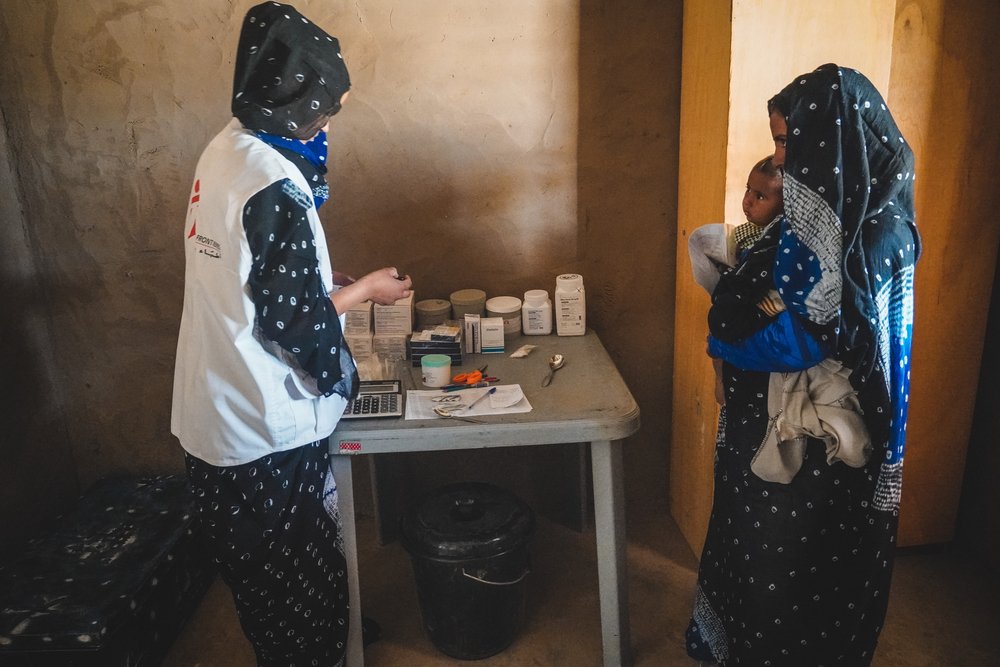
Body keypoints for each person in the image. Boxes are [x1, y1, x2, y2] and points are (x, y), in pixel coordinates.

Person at [171, 3, 412, 665]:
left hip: (217, 414)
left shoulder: (228, 149)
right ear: (291, 100)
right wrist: (363, 294)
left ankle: (335, 633)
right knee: (288, 584)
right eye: (322, 108)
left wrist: (318, 270)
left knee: (290, 571)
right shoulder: (275, 184)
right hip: (259, 432)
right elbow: (294, 324)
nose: (326, 122)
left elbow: (249, 264)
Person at [686, 63, 920, 666]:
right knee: (758, 548)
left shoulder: (866, 237)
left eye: (789, 140)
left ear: (831, 138)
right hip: (776, 413)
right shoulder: (842, 214)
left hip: (818, 442)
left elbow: (803, 337)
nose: (782, 157)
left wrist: (721, 344)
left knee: (790, 561)